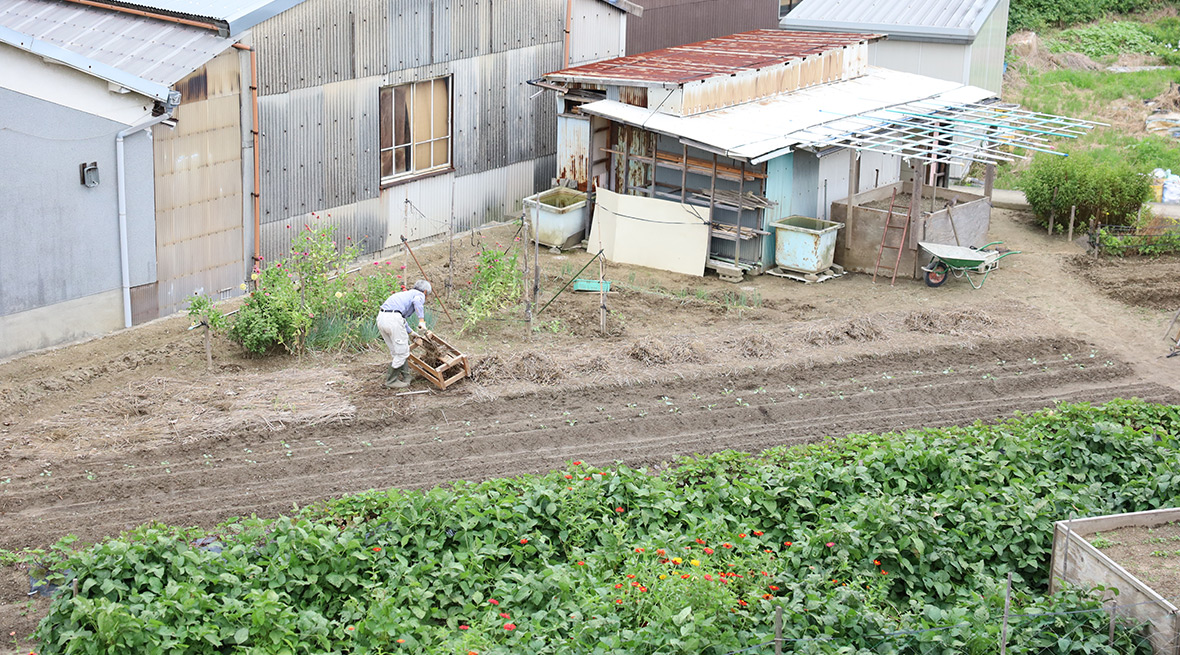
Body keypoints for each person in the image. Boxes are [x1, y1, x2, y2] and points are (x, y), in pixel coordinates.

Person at [376, 280, 432, 389]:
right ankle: (391, 381)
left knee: (396, 351)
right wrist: (421, 320)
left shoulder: (405, 294)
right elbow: (417, 302)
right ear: (425, 292)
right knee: (402, 352)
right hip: (393, 320)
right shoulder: (419, 295)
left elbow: (400, 318)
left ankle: (406, 376)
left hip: (382, 318)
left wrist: (411, 333)